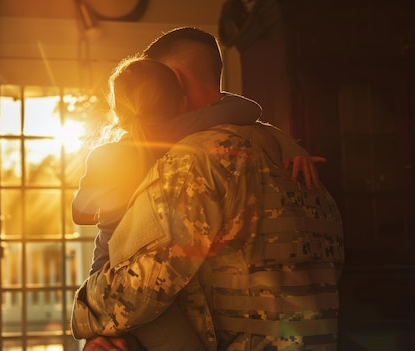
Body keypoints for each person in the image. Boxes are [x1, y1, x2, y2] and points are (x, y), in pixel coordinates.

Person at [70, 27, 344, 351]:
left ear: (175, 81)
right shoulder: (296, 163)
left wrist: (83, 314)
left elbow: (141, 291)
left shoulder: (193, 164)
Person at [73, 56, 263, 351]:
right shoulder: (181, 134)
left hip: (108, 271)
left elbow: (80, 213)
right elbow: (248, 109)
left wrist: (110, 198)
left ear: (117, 109)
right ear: (179, 100)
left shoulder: (105, 154)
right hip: (143, 277)